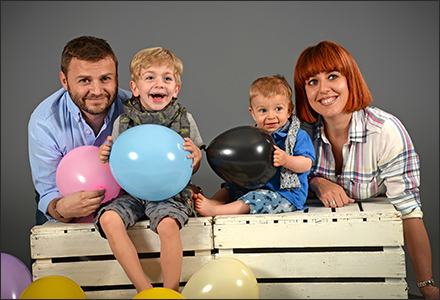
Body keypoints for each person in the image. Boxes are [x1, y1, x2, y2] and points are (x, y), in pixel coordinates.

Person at [293, 40, 438, 299]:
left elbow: (409, 212)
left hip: (374, 259)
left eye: (333, 76)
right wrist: (317, 182)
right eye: (312, 81)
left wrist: (427, 287)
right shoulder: (302, 134)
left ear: (351, 80)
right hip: (314, 264)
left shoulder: (385, 131)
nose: (323, 89)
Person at [95, 47, 203, 293]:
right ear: (135, 87)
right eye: (150, 77)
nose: (159, 84)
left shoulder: (184, 119)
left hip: (169, 192)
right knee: (109, 219)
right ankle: (144, 291)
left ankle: (170, 292)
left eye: (167, 78)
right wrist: (106, 155)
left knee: (168, 224)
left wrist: (195, 157)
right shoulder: (123, 121)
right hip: (132, 193)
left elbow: (192, 167)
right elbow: (118, 163)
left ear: (176, 89)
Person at [28, 36, 132, 225]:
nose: (97, 90)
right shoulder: (44, 122)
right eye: (85, 80)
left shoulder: (136, 110)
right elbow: (48, 192)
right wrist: (61, 209)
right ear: (64, 81)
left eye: (105, 79)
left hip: (123, 204)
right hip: (65, 203)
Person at [194, 75, 315, 217]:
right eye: (263, 111)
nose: (271, 116)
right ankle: (214, 202)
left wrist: (286, 160)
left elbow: (306, 164)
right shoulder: (253, 136)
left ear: (289, 110)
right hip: (256, 185)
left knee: (256, 199)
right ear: (253, 113)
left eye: (278, 109)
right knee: (231, 188)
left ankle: (216, 211)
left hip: (285, 195)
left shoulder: (297, 136)